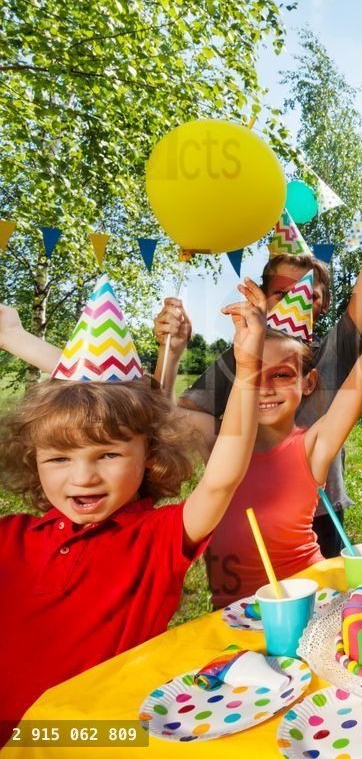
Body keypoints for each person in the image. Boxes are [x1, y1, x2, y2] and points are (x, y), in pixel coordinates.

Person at [0, 278, 264, 724]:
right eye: (60, 457)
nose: (83, 477)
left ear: (150, 454)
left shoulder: (157, 538)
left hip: (95, 743)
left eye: (108, 454)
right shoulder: (12, 537)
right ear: (33, 458)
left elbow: (221, 480)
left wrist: (249, 368)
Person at [172, 150, 362, 557]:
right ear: (262, 296)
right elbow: (183, 415)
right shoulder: (238, 359)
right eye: (282, 292)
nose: (292, 300)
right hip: (249, 510)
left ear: (321, 304)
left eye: (309, 293)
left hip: (321, 514)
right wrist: (170, 353)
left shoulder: (331, 353)